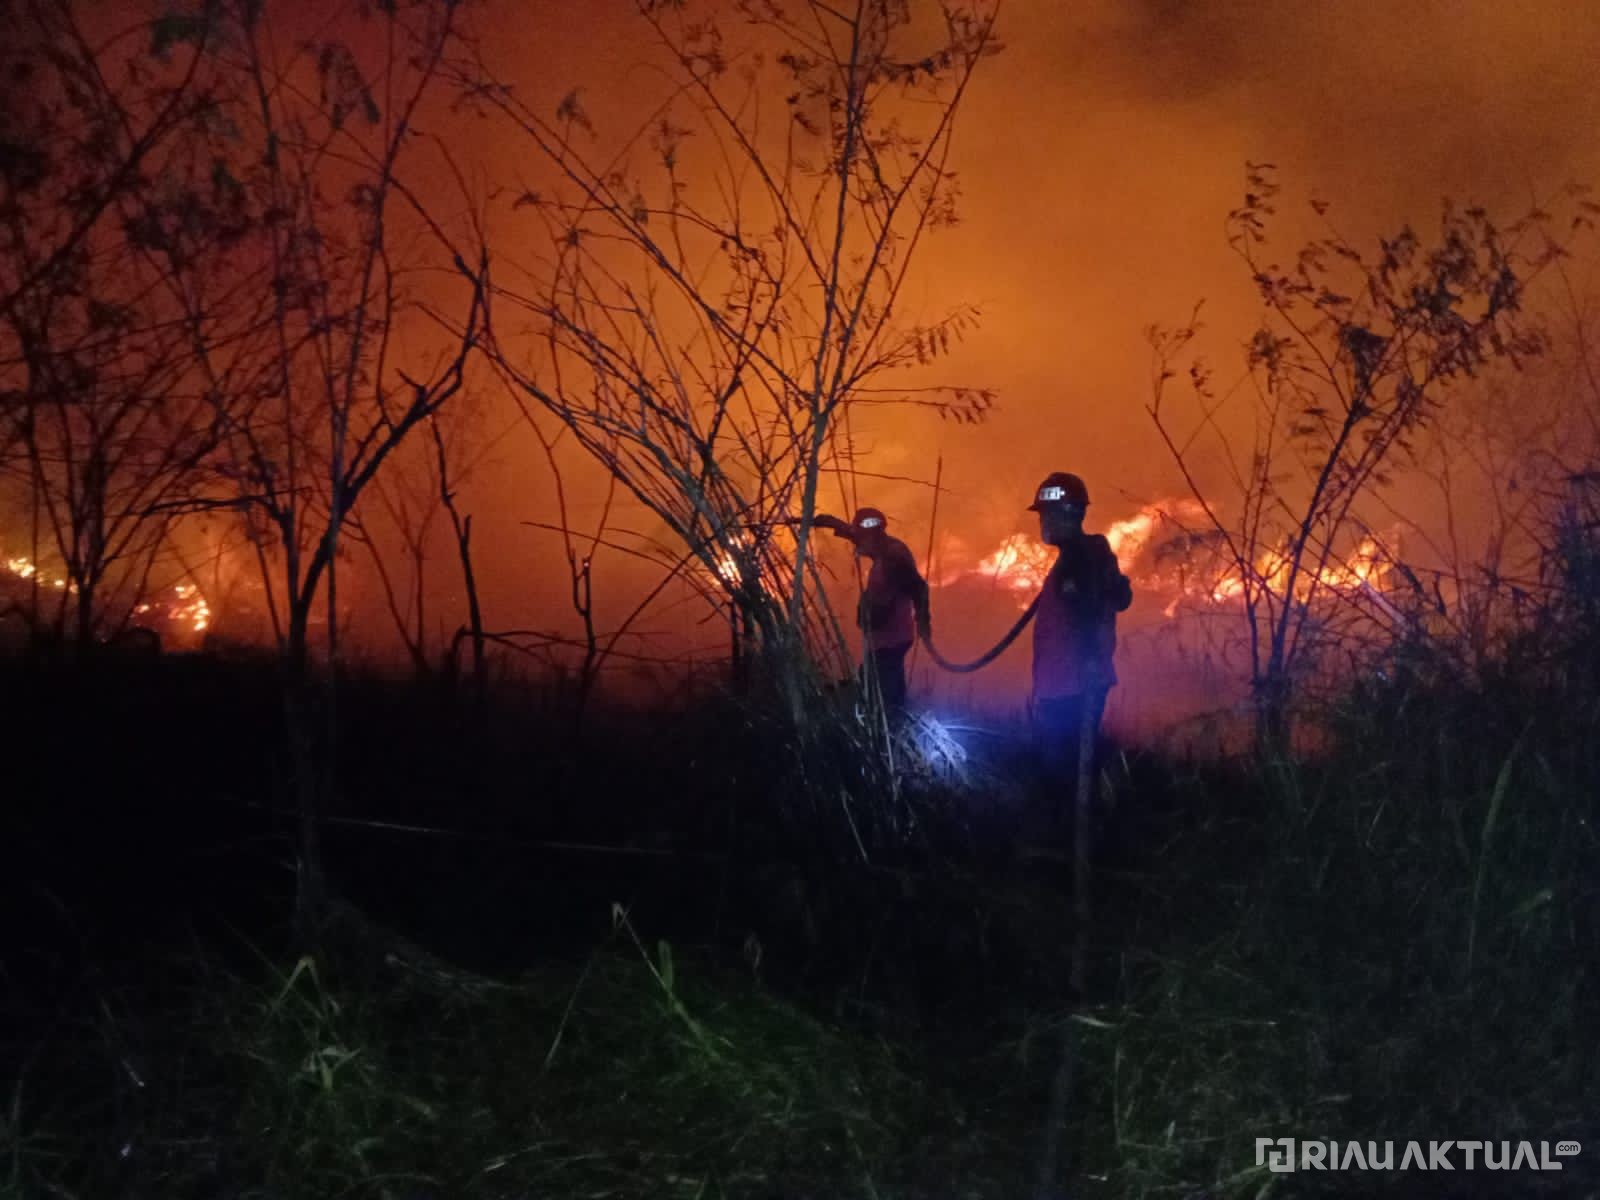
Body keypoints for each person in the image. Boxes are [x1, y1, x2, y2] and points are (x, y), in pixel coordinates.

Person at [1027, 472, 1133, 774]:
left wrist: (1088, 662)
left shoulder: (1078, 560)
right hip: (1075, 681)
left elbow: (1085, 615)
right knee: (1074, 767)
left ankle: (1073, 820)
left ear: (1068, 515)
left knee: (1063, 773)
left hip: (1071, 685)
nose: (1043, 523)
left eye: (1047, 515)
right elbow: (1118, 598)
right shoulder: (1089, 553)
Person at [812, 506, 931, 714]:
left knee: (877, 691)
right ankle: (897, 723)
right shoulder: (882, 548)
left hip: (891, 640)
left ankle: (888, 729)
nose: (859, 544)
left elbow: (918, 587)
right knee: (886, 688)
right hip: (887, 639)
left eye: (861, 536)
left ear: (874, 534)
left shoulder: (894, 556)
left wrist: (924, 621)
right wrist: (834, 523)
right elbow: (858, 537)